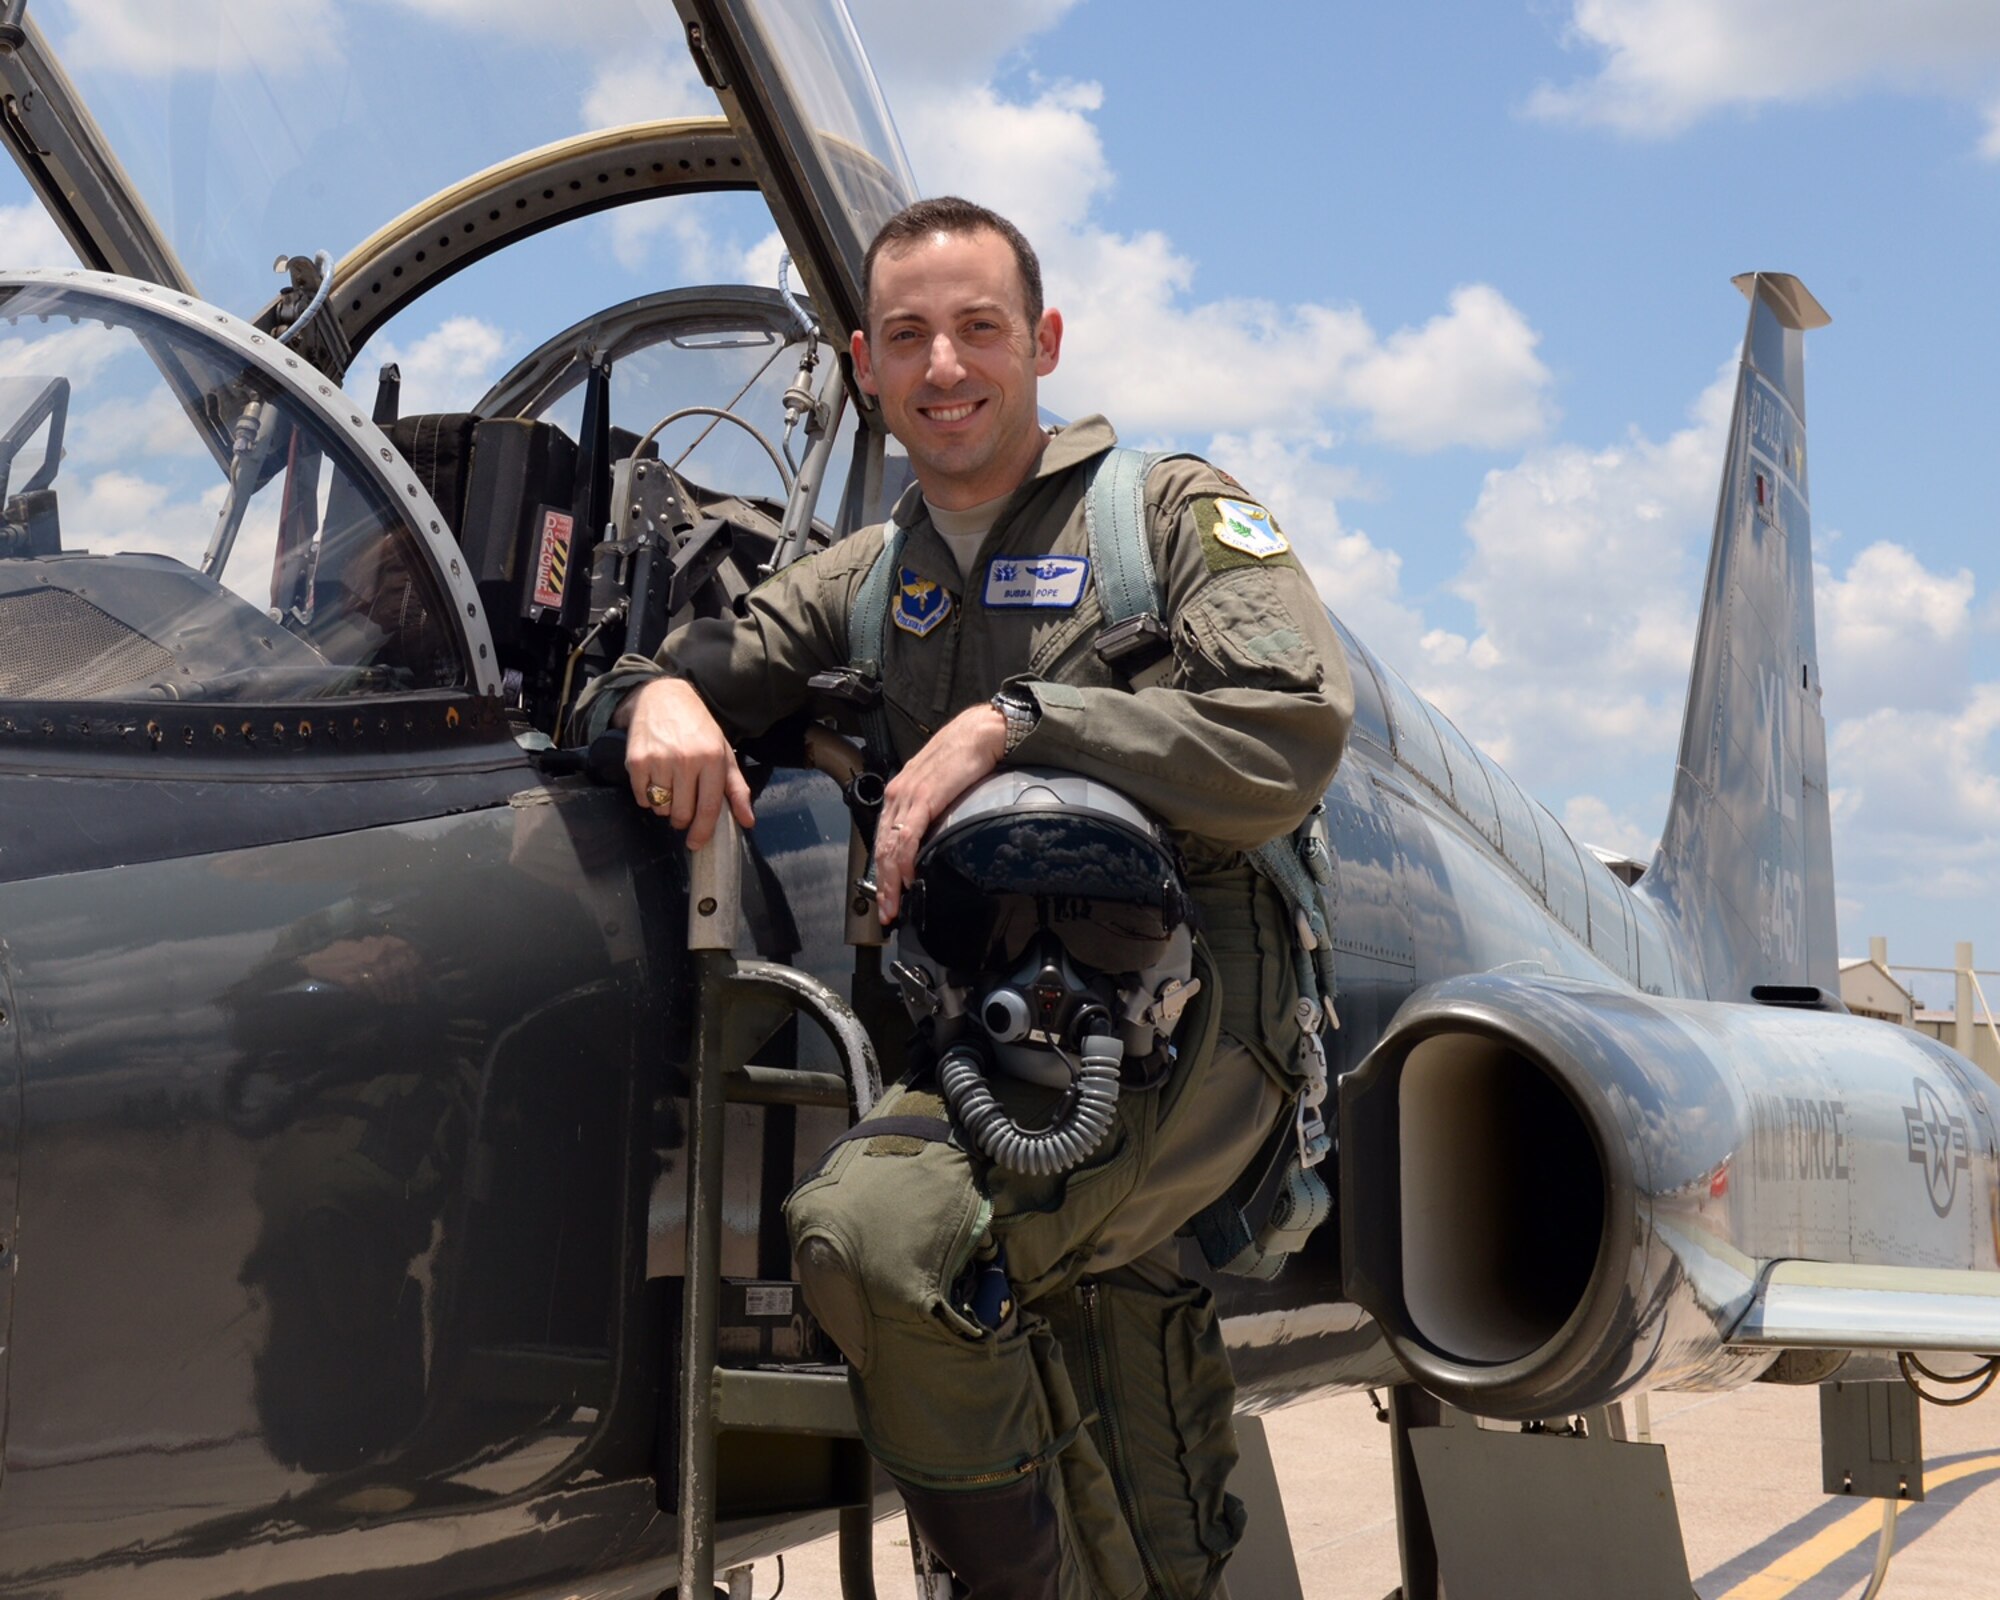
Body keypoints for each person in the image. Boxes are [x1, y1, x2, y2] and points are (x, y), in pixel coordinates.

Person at [586, 197, 1352, 1600]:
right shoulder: (871, 584)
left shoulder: (1167, 518)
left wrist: (1016, 724)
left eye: (980, 330)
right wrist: (656, 702)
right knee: (1031, 1316)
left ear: (1043, 343)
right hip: (984, 1033)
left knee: (892, 1240)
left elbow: (1289, 729)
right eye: (908, 337)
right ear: (867, 366)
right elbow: (668, 664)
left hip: (1192, 1017)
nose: (946, 367)